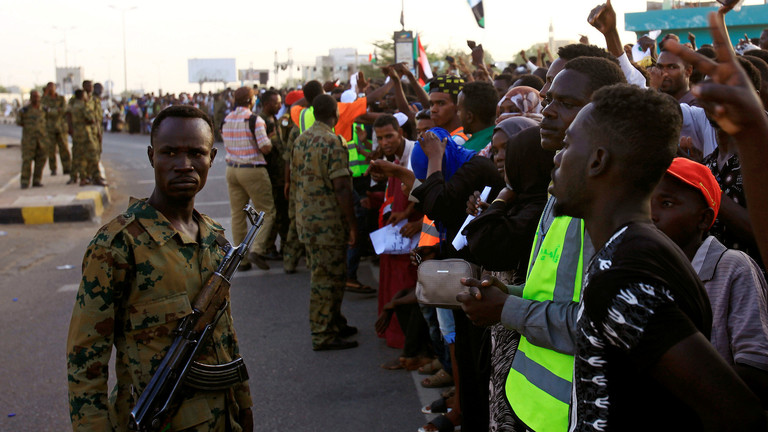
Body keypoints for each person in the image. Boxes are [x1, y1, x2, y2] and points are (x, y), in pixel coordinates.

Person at [548, 83, 764, 431]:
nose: (558, 157)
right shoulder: (636, 249)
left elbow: (738, 412)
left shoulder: (624, 273)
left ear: (598, 160)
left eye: (568, 144)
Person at [457, 56, 626, 432]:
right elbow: (551, 292)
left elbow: (595, 327)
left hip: (577, 414)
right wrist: (509, 292)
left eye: (566, 104)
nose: (547, 112)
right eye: (548, 99)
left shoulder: (606, 208)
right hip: (531, 404)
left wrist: (507, 309)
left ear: (607, 113)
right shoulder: (561, 190)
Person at [66, 105, 254, 431]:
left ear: (212, 157)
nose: (183, 165)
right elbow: (85, 362)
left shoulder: (214, 238)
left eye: (196, 153)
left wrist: (245, 406)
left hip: (224, 419)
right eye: (170, 152)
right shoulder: (117, 246)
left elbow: (224, 334)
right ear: (152, 157)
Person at [651, 157, 768, 408]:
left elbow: (757, 368)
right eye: (645, 203)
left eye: (666, 203)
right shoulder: (647, 273)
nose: (651, 215)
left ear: (704, 219)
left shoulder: (733, 268)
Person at [291, 94, 359, 351]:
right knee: (326, 279)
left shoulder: (301, 139)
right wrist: (352, 224)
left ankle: (334, 322)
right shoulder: (334, 141)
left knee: (333, 274)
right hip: (328, 222)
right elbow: (341, 187)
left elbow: (295, 180)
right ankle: (322, 333)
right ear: (336, 113)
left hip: (307, 220)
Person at [221, 86, 275, 272]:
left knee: (237, 214)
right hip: (252, 169)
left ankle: (241, 260)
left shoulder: (226, 120)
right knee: (266, 211)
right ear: (251, 100)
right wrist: (271, 138)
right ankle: (257, 249)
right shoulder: (254, 120)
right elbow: (265, 147)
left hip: (232, 169)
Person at [259, 89, 289, 260]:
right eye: (277, 103)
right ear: (268, 104)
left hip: (278, 173)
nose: (280, 105)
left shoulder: (272, 119)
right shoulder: (262, 121)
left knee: (280, 212)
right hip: (272, 175)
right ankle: (268, 247)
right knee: (276, 213)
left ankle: (273, 247)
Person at [16, 90, 47, 189]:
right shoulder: (24, 110)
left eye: (37, 96)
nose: (36, 98)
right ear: (30, 98)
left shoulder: (44, 109)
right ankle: (24, 181)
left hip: (41, 140)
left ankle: (37, 180)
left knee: (41, 160)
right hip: (29, 140)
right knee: (27, 161)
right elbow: (19, 122)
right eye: (34, 96)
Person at [456, 81, 498, 152]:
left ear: (469, 117)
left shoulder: (466, 151)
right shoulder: (503, 136)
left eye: (459, 110)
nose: (457, 114)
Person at [428, 75, 468, 144]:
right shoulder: (442, 137)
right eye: (431, 104)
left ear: (458, 105)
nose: (433, 110)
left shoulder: (458, 141)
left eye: (441, 103)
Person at [41, 82, 70, 176]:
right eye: (48, 88)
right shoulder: (44, 100)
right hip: (49, 128)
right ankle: (53, 169)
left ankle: (67, 167)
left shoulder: (61, 98)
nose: (50, 89)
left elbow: (64, 110)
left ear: (55, 88)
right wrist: (56, 111)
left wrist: (50, 110)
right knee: (51, 150)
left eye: (52, 87)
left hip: (61, 127)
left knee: (64, 148)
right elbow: (43, 111)